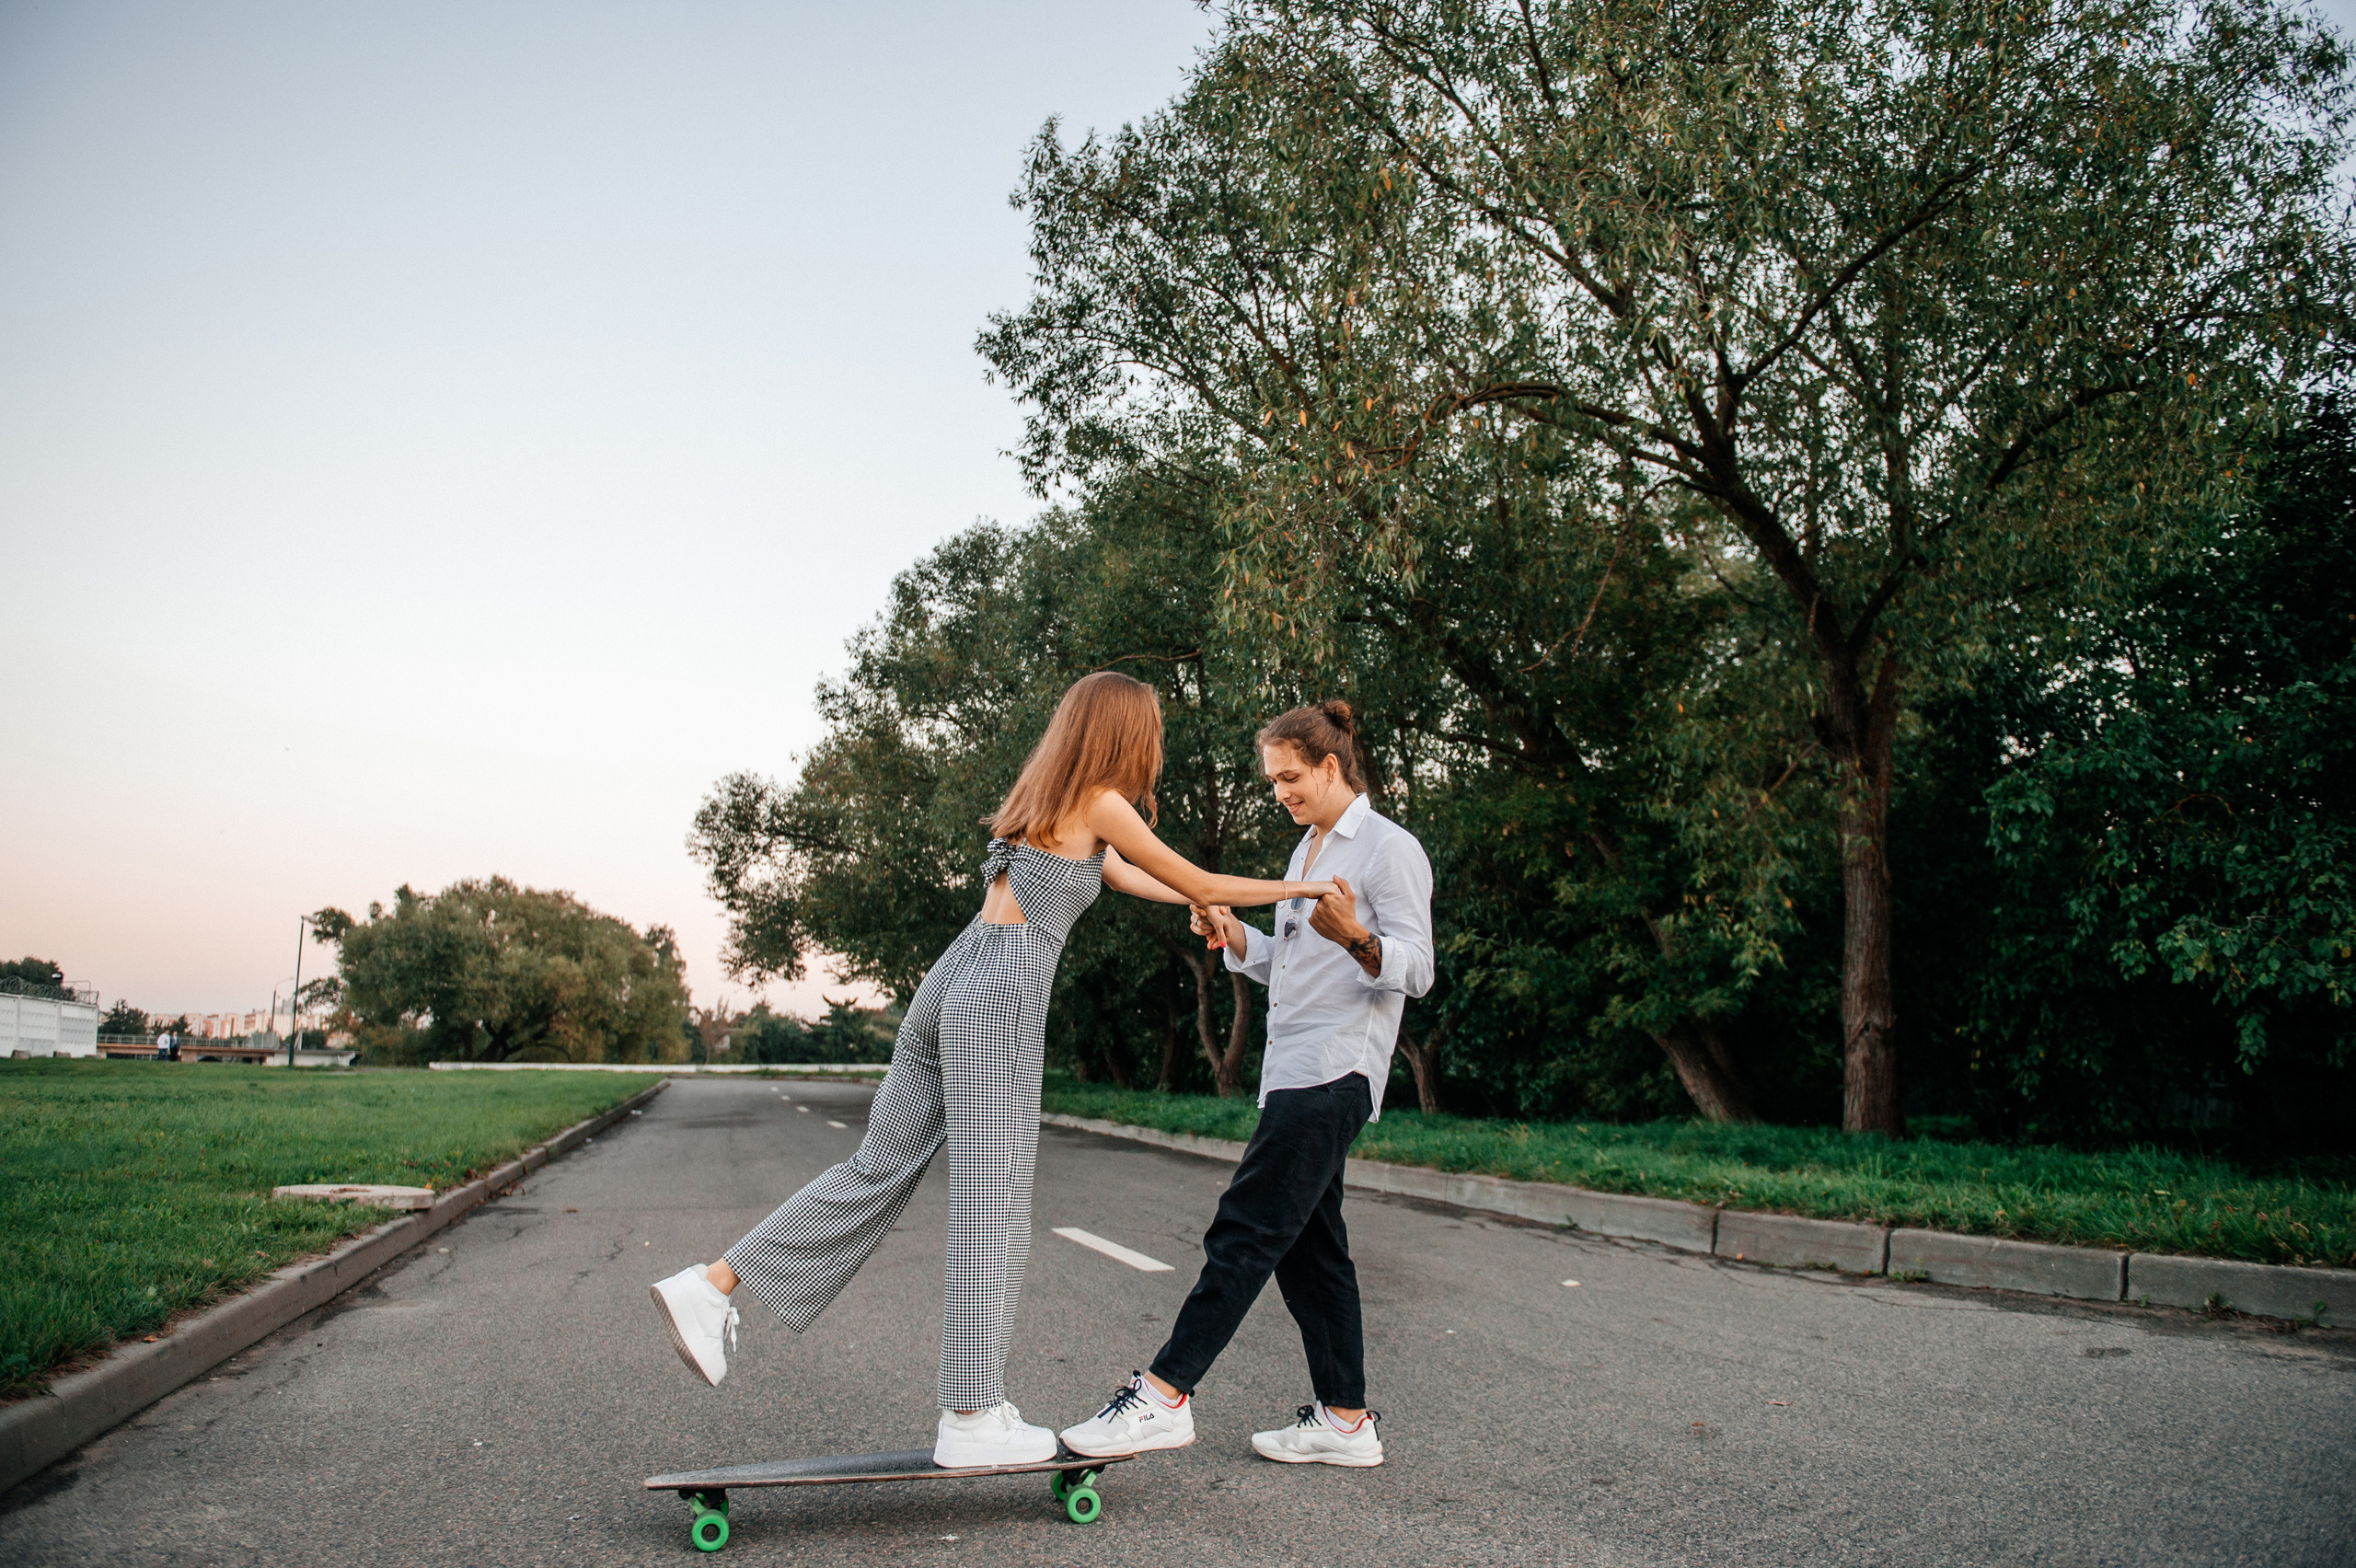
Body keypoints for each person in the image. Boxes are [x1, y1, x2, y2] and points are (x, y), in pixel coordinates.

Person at [647, 672, 1339, 1468]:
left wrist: (1193, 905)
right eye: (1148, 731)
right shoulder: (1103, 799)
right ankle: (973, 1417)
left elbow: (1124, 873)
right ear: (1122, 732)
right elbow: (1203, 877)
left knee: (877, 1168)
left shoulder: (1050, 795)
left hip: (955, 976)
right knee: (993, 1205)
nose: (1154, 747)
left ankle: (711, 1285)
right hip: (1001, 991)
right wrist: (1306, 884)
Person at [1059, 699, 1433, 1469]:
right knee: (1309, 1252)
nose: (1281, 792)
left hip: (1336, 1071)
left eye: (1290, 777)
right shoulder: (1306, 851)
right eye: (1272, 781)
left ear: (1331, 767)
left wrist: (1358, 938)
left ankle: (1163, 1396)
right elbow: (1292, 962)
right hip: (1292, 1069)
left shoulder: (1389, 850)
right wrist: (1238, 938)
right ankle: (1346, 1420)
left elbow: (1418, 971)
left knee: (1247, 1229)